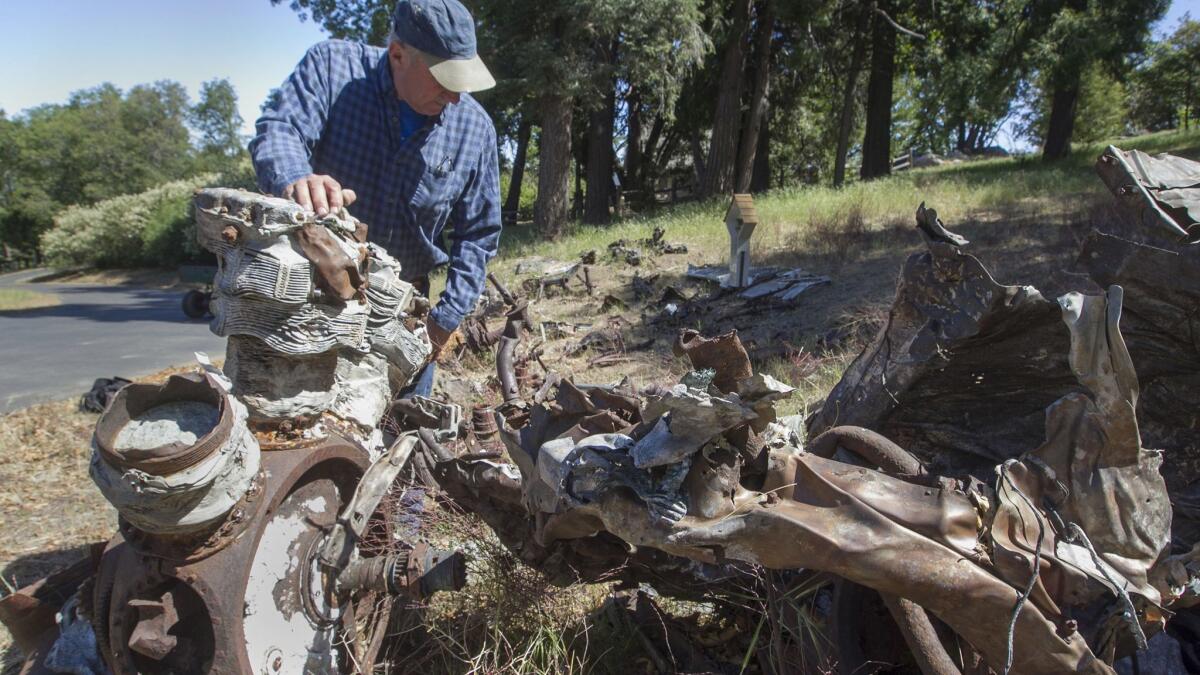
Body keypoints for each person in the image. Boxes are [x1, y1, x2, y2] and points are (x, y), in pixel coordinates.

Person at [250, 0, 501, 397]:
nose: (455, 97)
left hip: (404, 311)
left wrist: (444, 319)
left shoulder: (475, 129)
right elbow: (279, 130)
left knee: (403, 434)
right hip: (312, 300)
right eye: (444, 80)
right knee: (300, 424)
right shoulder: (332, 68)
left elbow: (479, 234)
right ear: (398, 55)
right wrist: (296, 177)